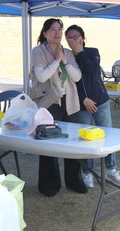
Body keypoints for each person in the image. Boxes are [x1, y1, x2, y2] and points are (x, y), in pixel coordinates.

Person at [29, 18, 85, 196]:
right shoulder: (38, 51)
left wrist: (65, 61)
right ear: (45, 33)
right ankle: (49, 185)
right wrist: (56, 61)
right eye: (52, 29)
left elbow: (76, 77)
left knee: (73, 142)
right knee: (48, 143)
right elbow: (41, 76)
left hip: (70, 101)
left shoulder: (67, 52)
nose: (57, 33)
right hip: (49, 102)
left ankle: (74, 181)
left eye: (59, 29)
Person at [64, 24, 120, 187]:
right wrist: (83, 99)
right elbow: (69, 83)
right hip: (82, 104)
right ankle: (87, 172)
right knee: (85, 138)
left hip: (101, 101)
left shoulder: (92, 52)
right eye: (70, 37)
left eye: (76, 36)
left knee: (107, 134)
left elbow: (92, 70)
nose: (73, 40)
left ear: (83, 38)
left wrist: (81, 52)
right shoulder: (67, 57)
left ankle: (111, 169)